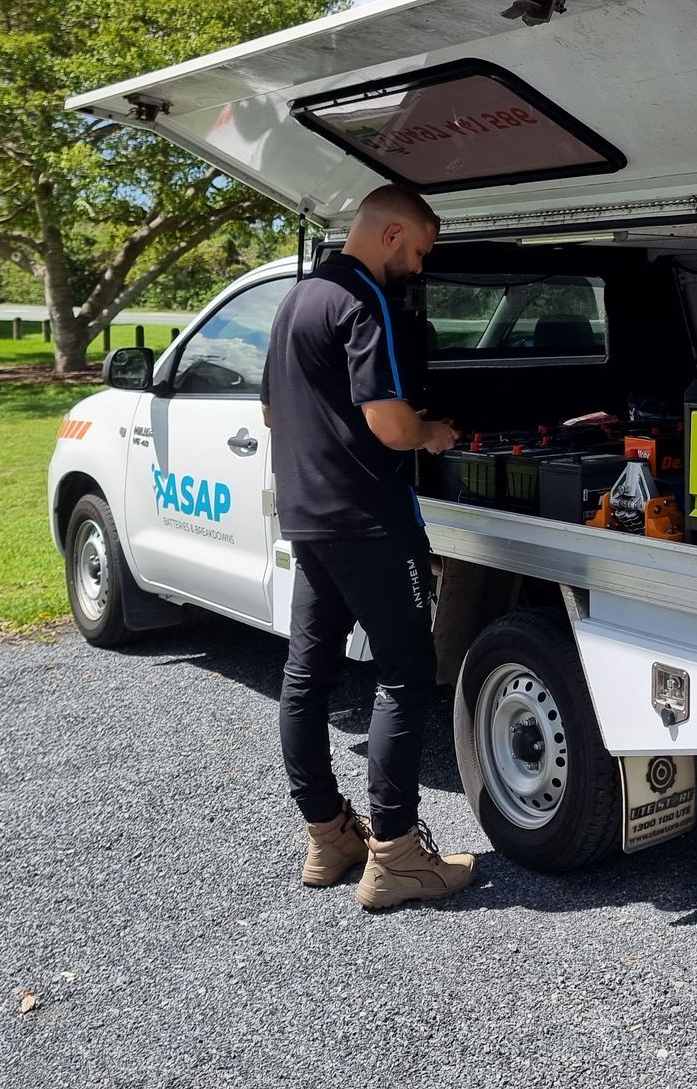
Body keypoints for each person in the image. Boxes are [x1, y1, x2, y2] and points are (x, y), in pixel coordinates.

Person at [260, 183, 473, 910]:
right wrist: (433, 433)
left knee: (307, 676)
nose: (417, 267)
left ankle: (328, 837)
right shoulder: (361, 298)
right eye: (418, 251)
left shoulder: (299, 298)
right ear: (390, 235)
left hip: (309, 517)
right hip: (370, 521)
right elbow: (388, 423)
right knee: (408, 675)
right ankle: (398, 855)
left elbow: (270, 407)